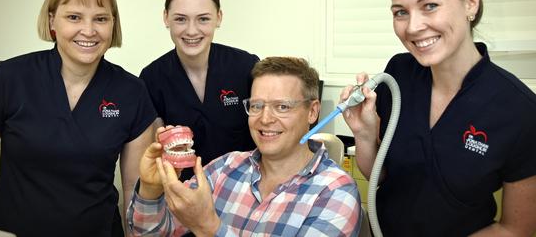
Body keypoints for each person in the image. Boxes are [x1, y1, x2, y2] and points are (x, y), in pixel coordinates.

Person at [341, 0, 536, 236]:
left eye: (430, 5)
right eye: (400, 12)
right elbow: (381, 175)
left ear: (470, 2)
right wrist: (363, 135)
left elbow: (515, 229)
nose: (413, 27)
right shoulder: (399, 74)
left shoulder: (521, 112)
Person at [0, 0, 157, 237]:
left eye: (101, 19)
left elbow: (134, 190)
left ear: (113, 24)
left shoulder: (131, 91)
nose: (89, 30)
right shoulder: (10, 79)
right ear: (52, 20)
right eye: (74, 17)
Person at [128, 57, 362, 236]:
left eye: (282, 107)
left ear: (312, 111)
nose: (265, 118)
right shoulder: (224, 169)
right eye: (257, 105)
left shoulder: (335, 192)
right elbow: (151, 232)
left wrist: (208, 226)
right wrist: (150, 190)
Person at [139, 0, 258, 180]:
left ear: (218, 17)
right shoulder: (152, 78)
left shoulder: (245, 67)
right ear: (166, 17)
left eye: (203, 19)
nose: (192, 31)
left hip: (244, 194)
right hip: (184, 194)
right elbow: (157, 149)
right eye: (180, 19)